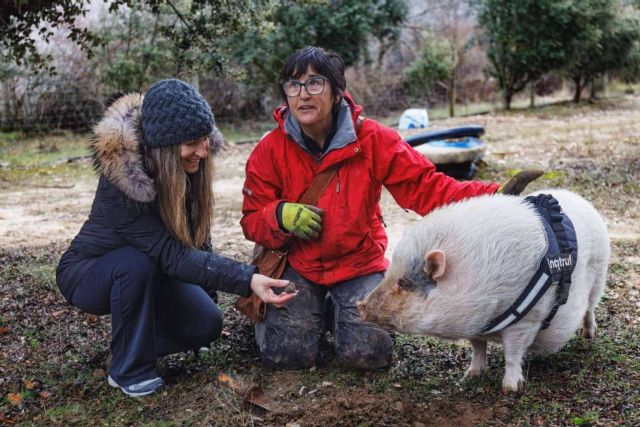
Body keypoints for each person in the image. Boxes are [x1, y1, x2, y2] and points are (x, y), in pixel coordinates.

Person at [240, 46, 542, 370]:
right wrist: (279, 215)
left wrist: (492, 196)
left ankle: (335, 313)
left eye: (315, 83)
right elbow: (251, 220)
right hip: (299, 264)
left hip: (357, 263)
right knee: (285, 356)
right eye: (293, 85)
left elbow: (427, 188)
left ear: (337, 91)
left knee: (368, 356)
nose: (303, 94)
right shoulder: (270, 150)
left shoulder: (373, 139)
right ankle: (308, 314)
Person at [56, 79, 296, 397]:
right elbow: (173, 255)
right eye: (193, 142)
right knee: (135, 262)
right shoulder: (123, 183)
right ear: (165, 147)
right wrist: (248, 279)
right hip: (89, 272)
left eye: (205, 139)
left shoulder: (188, 171)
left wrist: (206, 301)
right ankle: (128, 371)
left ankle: (131, 345)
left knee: (206, 324)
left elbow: (197, 240)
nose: (203, 150)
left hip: (151, 267)